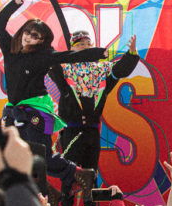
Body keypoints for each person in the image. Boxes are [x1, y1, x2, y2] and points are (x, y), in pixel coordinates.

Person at [0, 0, 104, 203]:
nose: (29, 37)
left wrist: (100, 53)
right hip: (13, 110)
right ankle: (47, 191)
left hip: (35, 111)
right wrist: (15, 4)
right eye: (28, 32)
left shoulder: (43, 56)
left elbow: (69, 57)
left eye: (35, 36)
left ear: (41, 41)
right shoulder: (10, 49)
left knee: (40, 154)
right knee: (14, 156)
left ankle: (79, 174)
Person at [50, 32, 141, 172]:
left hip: (92, 132)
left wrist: (132, 53)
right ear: (72, 48)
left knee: (91, 172)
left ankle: (89, 187)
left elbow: (119, 70)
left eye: (88, 44)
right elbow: (51, 65)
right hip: (72, 130)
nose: (85, 47)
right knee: (71, 173)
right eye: (81, 44)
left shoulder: (101, 70)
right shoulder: (65, 68)